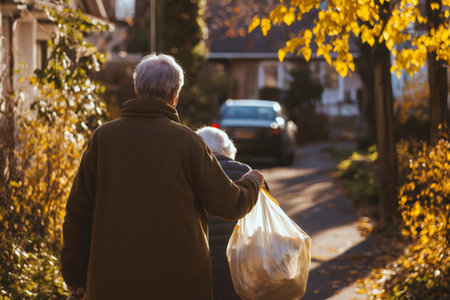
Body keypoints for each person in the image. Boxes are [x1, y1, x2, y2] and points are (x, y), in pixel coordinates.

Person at [61, 54, 264, 300]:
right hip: (179, 284)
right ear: (175, 95)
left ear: (137, 89)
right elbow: (228, 204)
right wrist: (251, 182)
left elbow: (78, 213)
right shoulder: (188, 142)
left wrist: (75, 277)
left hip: (112, 283)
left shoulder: (103, 139)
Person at [196, 126, 269, 300]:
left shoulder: (191, 176)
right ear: (229, 150)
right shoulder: (248, 173)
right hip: (246, 269)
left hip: (203, 269)